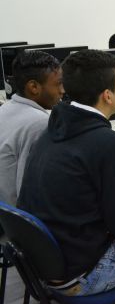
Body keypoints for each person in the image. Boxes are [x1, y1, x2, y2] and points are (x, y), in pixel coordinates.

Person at [17, 50, 115, 302]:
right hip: (85, 275)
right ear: (107, 95)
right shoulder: (109, 144)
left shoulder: (52, 130)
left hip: (47, 267)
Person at [0, 51, 64, 205]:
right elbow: (28, 191)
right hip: (16, 214)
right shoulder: (39, 124)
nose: (63, 90)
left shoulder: (5, 108)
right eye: (58, 84)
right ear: (34, 87)